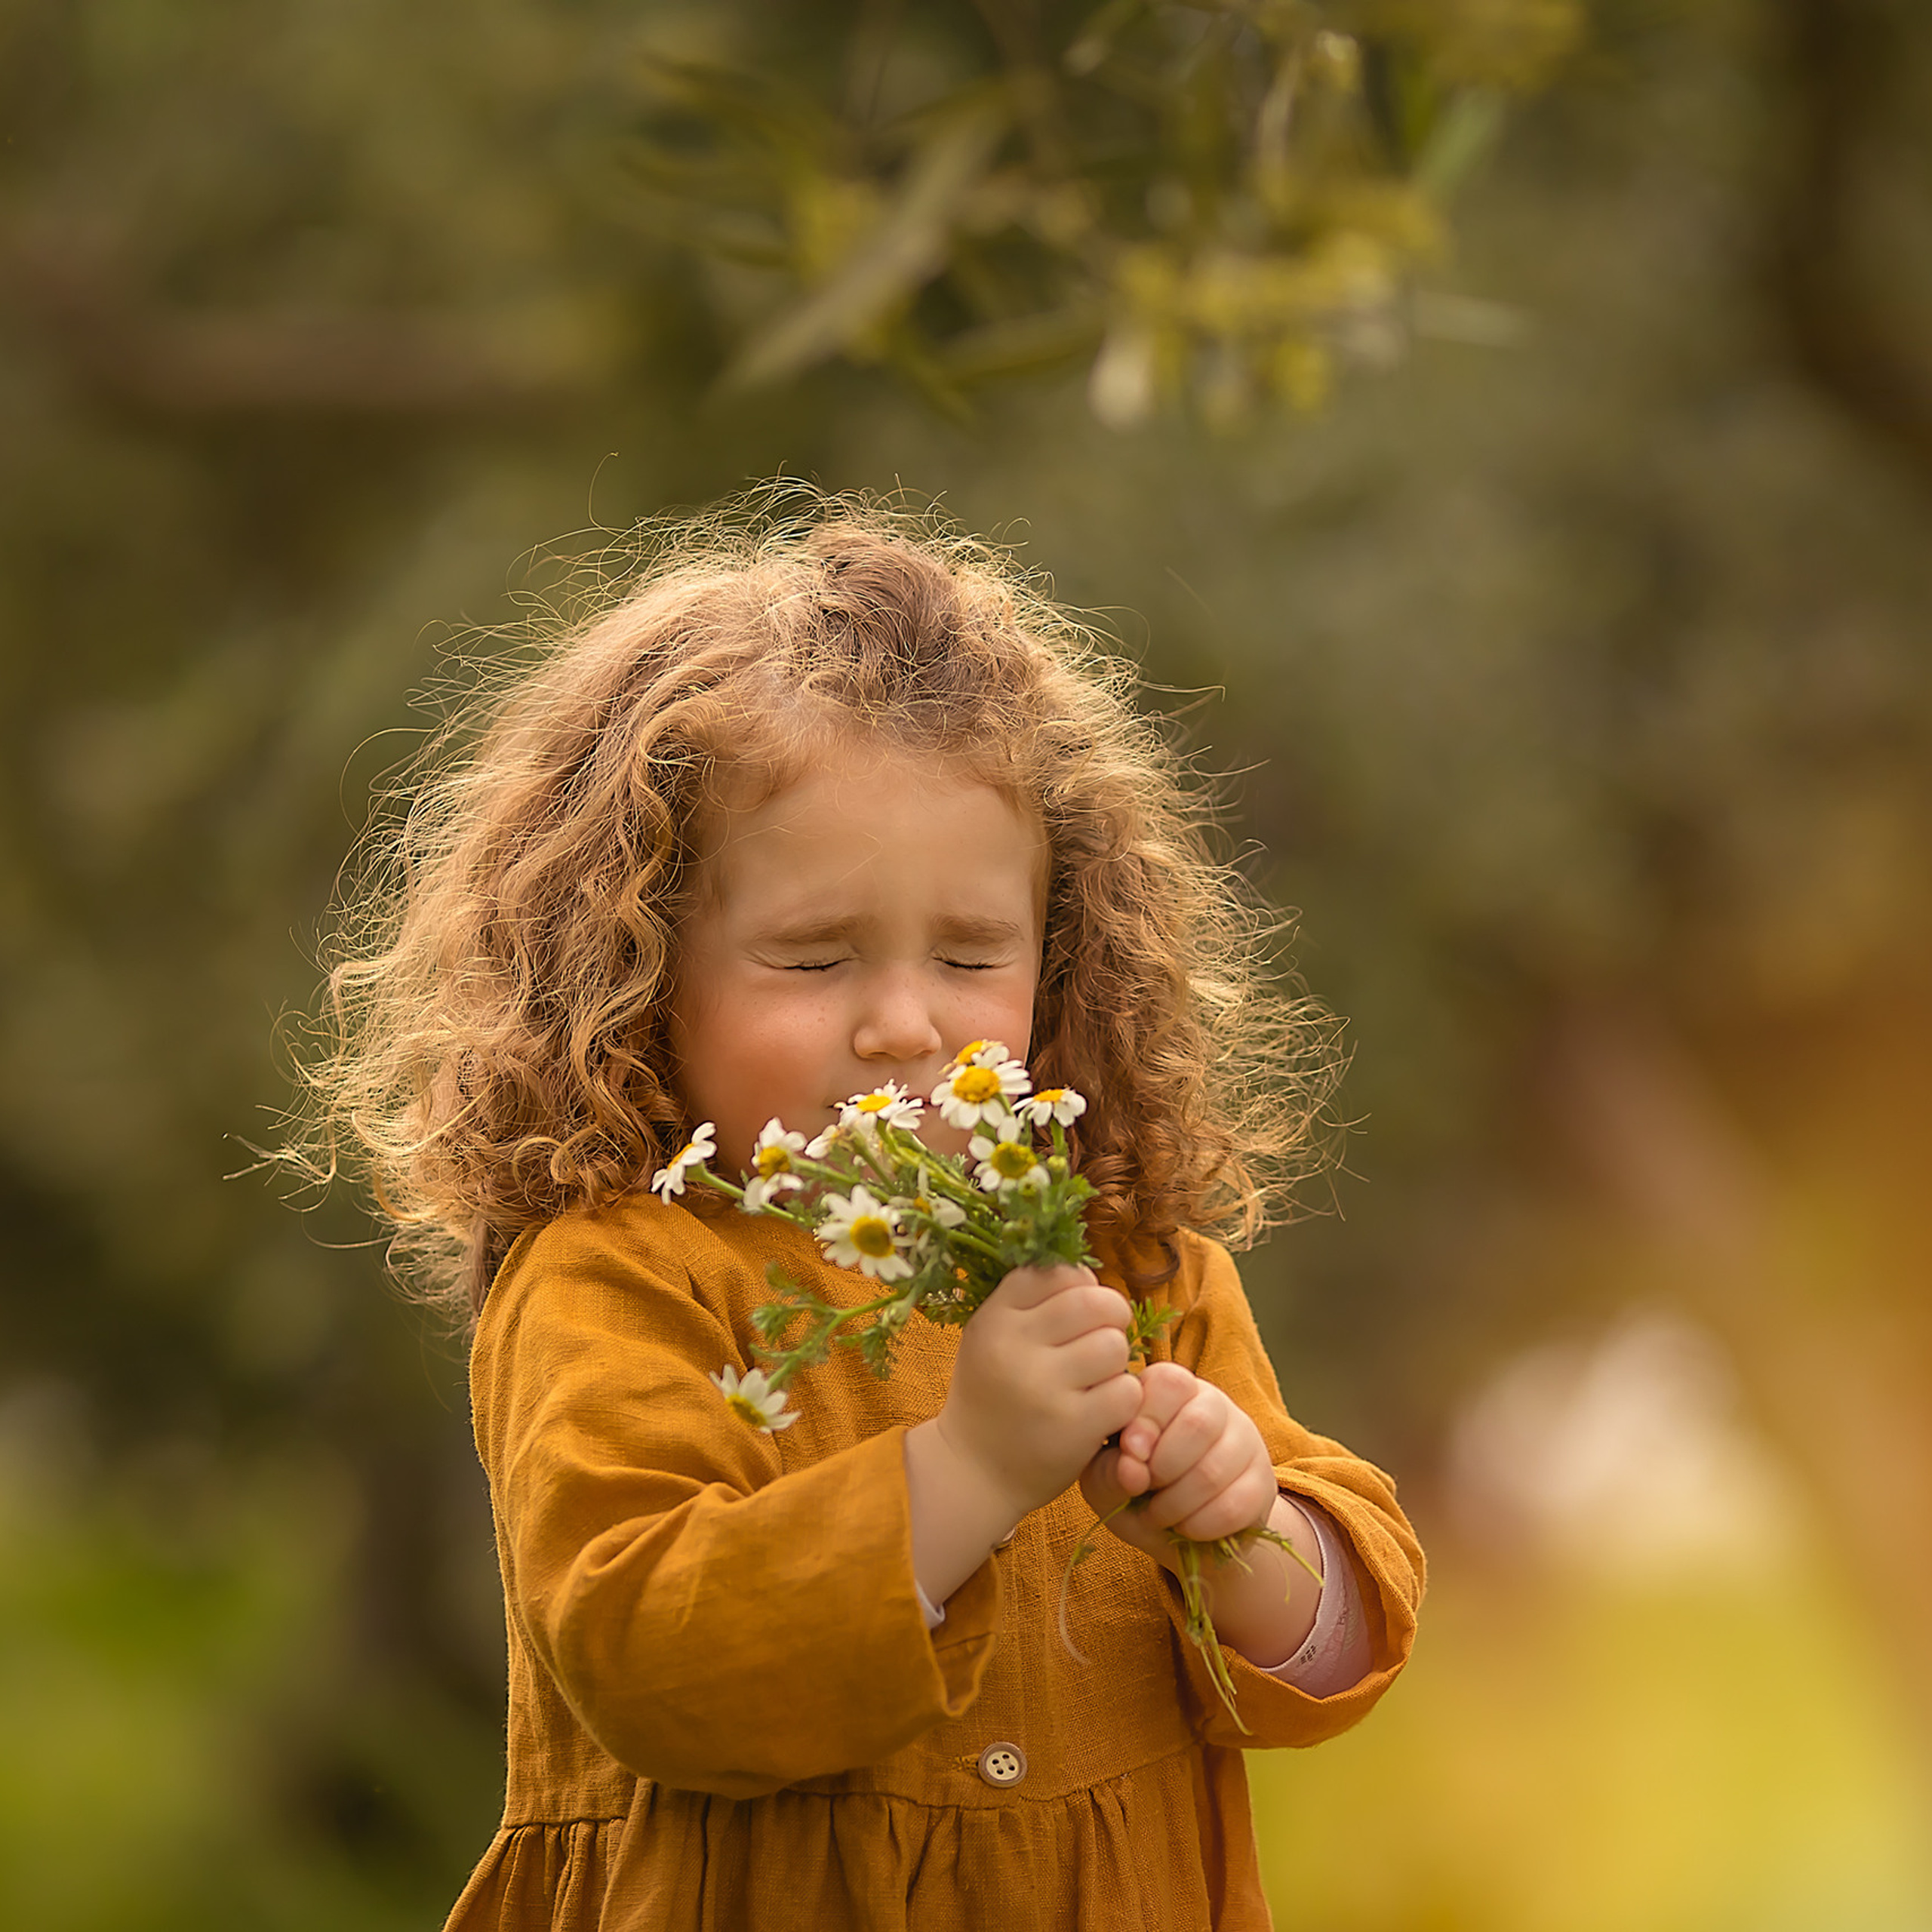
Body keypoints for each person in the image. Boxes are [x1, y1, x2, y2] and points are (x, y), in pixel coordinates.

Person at [303, 497, 1423, 1930]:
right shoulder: (619, 1281)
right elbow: (648, 1655)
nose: (904, 1025)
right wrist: (967, 1466)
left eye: (970, 954)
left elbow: (1330, 1654)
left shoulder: (1135, 1265)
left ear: (1059, 962)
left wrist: (1245, 1528)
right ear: (638, 972)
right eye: (814, 957)